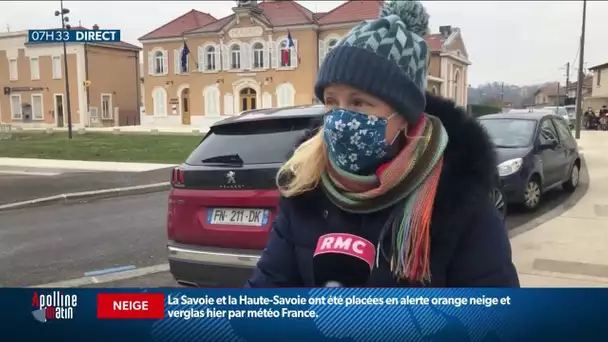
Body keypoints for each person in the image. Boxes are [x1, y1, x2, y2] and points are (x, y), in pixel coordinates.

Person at [247, 0, 519, 287]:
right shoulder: (305, 188)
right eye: (331, 101)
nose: (340, 117)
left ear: (403, 115)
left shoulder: (459, 200)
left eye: (359, 102)